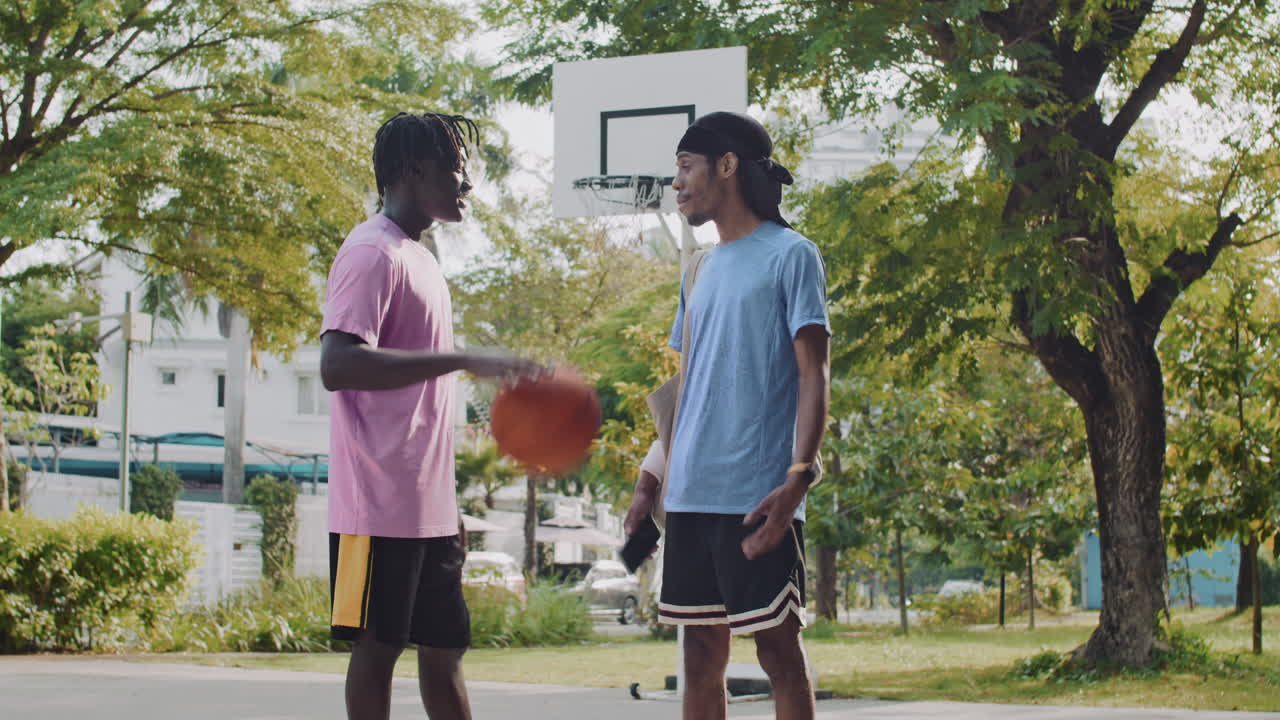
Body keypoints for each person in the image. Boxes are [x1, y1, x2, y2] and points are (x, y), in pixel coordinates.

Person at [320, 111, 538, 720]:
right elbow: (338, 365)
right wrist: (464, 357)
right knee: (375, 648)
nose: (466, 185)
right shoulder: (370, 253)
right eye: (456, 171)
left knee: (445, 651)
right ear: (414, 171)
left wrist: (447, 506)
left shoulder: (422, 260)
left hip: (427, 511)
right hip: (367, 512)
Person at [624, 111, 831, 720]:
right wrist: (648, 479)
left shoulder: (793, 255)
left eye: (686, 168)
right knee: (699, 657)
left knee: (778, 651)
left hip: (755, 495)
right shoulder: (700, 268)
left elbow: (813, 373)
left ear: (728, 166)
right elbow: (690, 391)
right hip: (689, 495)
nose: (678, 183)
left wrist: (799, 476)